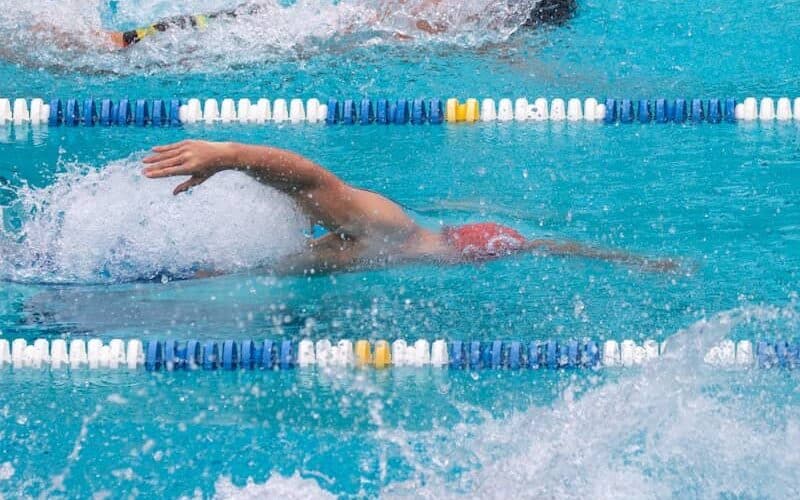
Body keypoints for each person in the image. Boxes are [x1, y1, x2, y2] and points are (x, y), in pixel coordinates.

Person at [142, 140, 678, 275]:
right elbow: (312, 178)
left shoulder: (382, 248)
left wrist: (630, 260)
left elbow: (548, 245)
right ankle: (231, 154)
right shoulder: (389, 229)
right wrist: (228, 155)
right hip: (387, 233)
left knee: (242, 265)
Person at [103, 0, 577, 48]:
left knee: (258, 19)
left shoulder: (466, 27)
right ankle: (127, 40)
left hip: (312, 32)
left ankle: (127, 39)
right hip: (311, 33)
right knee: (257, 19)